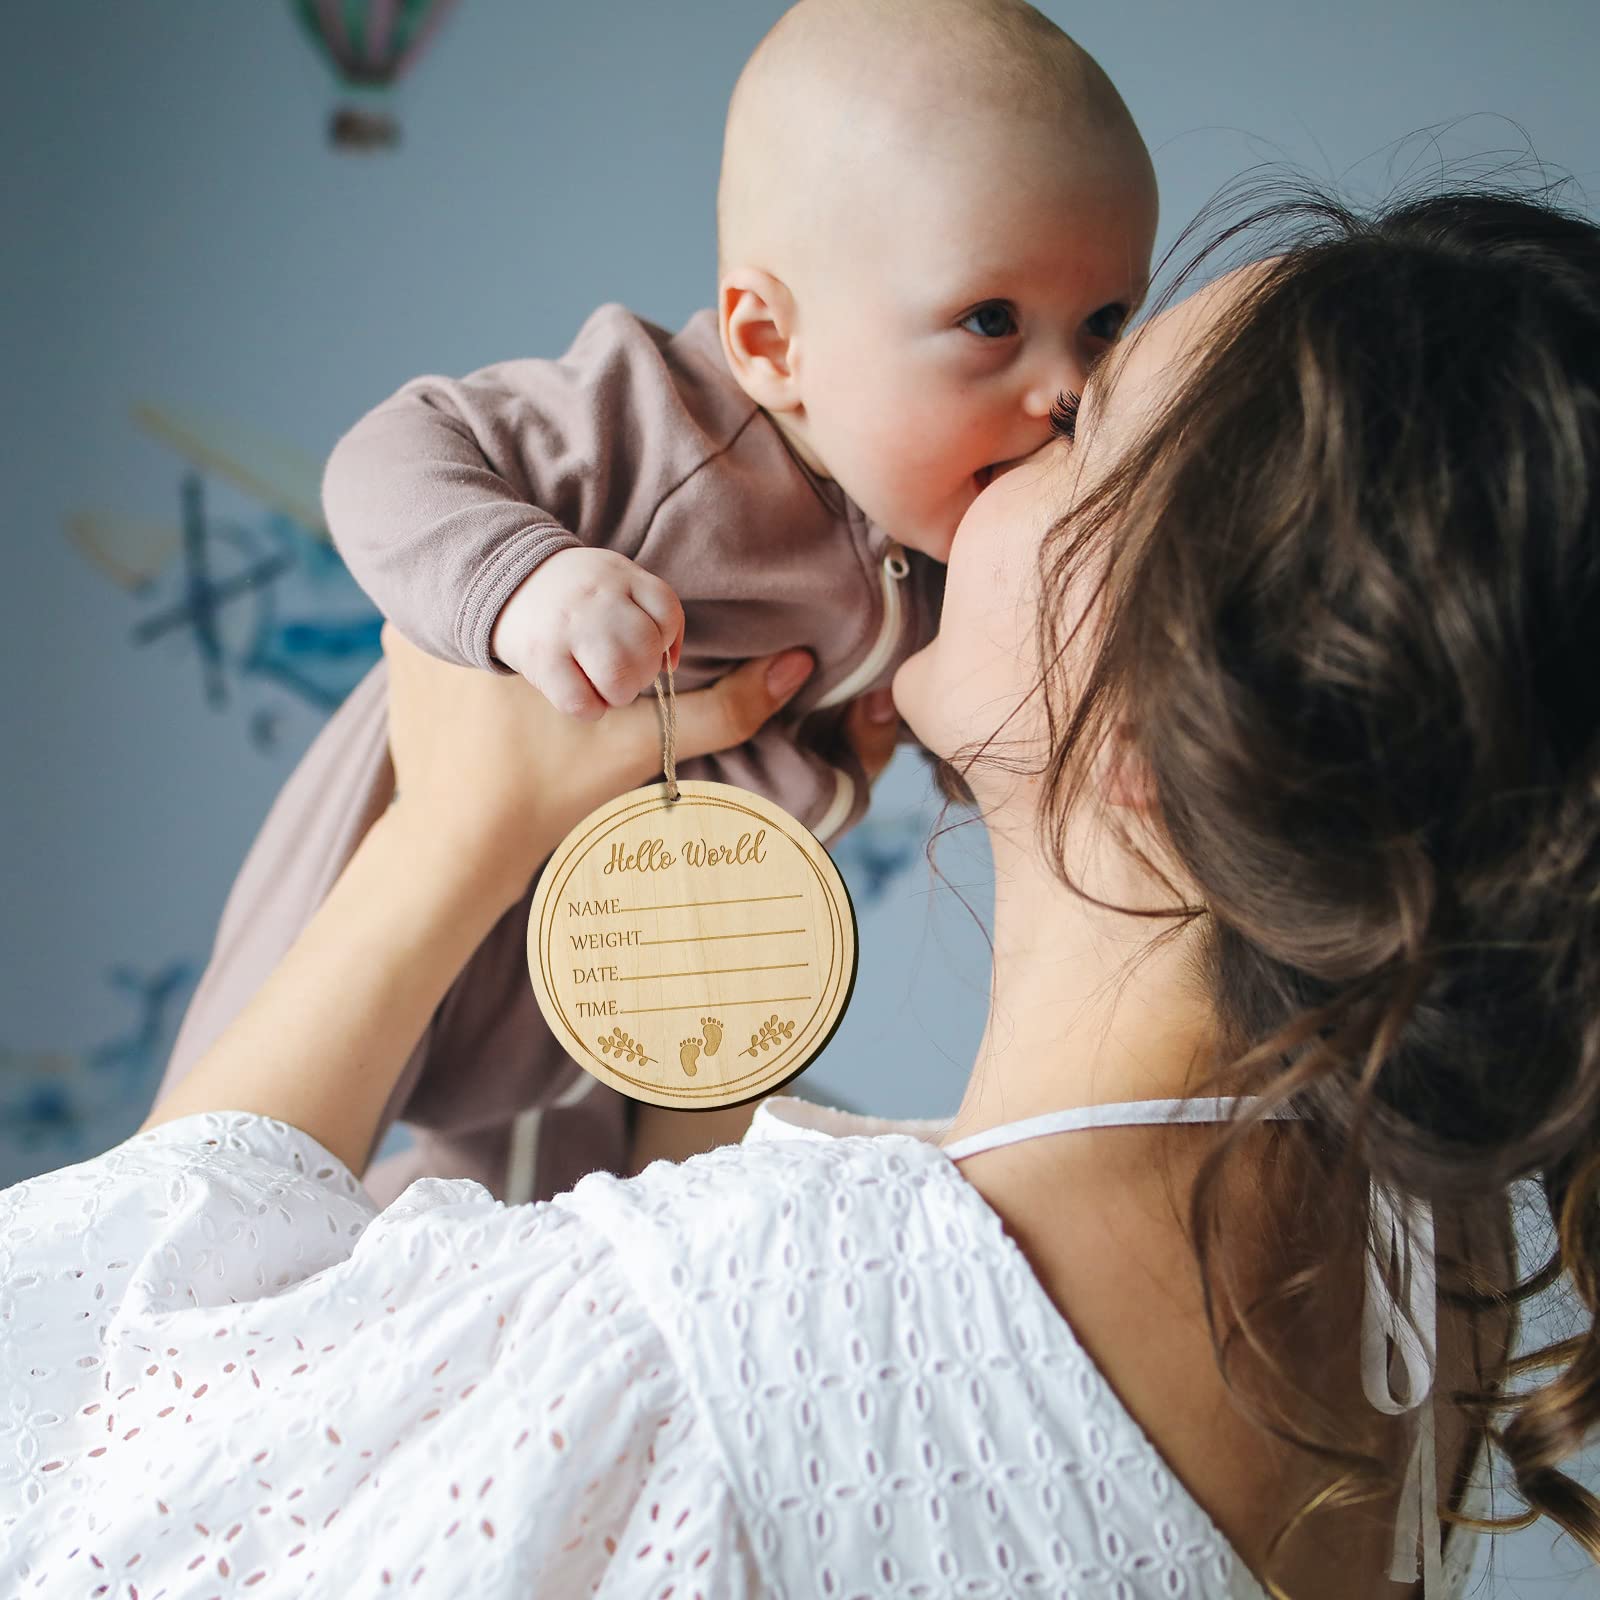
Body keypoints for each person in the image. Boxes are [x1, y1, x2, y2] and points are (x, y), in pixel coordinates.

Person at [8, 183, 1600, 1598]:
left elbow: (67, 1452)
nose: (1005, 449)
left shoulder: (707, 1345)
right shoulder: (1413, 1284)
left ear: (1165, 718)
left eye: (1086, 432)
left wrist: (444, 843)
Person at [149, 0, 1158, 1207]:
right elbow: (391, 452)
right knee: (230, 1175)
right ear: (769, 340)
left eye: (1104, 326)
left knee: (551, 1225)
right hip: (421, 854)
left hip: (649, 951)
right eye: (990, 322)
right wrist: (522, 578)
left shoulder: (957, 528)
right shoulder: (656, 421)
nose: (1066, 391)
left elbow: (990, 735)